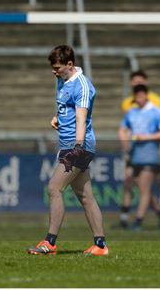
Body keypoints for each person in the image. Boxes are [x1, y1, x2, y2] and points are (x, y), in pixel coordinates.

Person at [27, 45, 108, 256]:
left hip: (78, 145)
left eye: (57, 67)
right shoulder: (62, 79)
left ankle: (50, 242)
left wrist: (78, 148)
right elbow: (66, 108)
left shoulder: (82, 85)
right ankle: (100, 245)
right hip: (68, 143)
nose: (54, 71)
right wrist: (58, 117)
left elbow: (81, 119)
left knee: (54, 188)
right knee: (86, 196)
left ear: (70, 64)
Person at [118, 71, 160, 229]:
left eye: (141, 94)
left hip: (152, 153)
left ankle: (144, 220)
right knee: (134, 183)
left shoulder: (156, 108)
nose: (138, 98)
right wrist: (126, 143)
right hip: (135, 154)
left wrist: (147, 137)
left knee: (158, 184)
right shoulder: (131, 109)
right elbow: (123, 128)